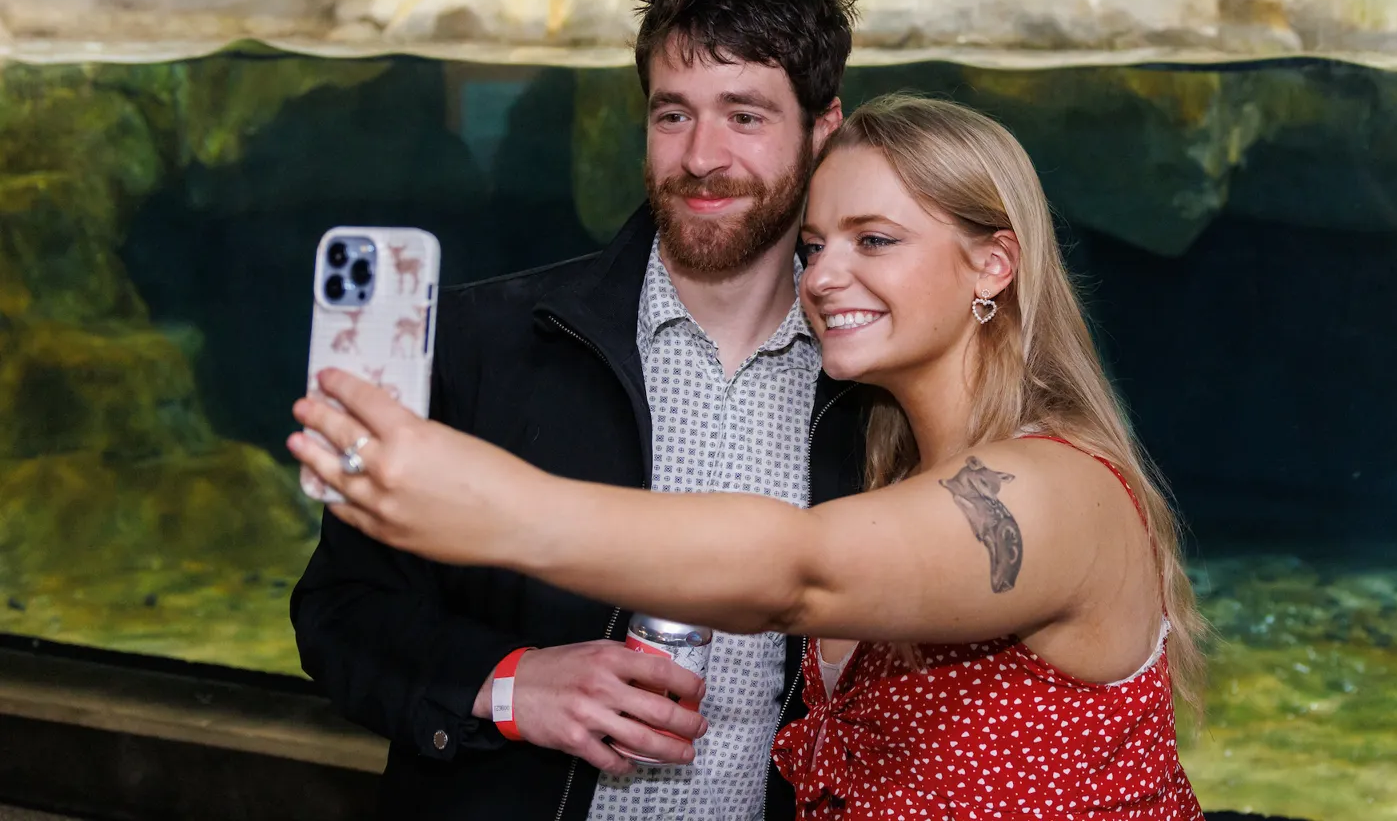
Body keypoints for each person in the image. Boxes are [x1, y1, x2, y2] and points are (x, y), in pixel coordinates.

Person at [292, 93, 1209, 819]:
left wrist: (503, 508)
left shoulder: (1057, 487)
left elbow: (793, 572)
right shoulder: (891, 471)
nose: (822, 276)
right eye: (811, 246)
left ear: (993, 266)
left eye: (875, 240)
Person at [289, 0, 869, 821]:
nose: (701, 156)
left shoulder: (869, 386)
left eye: (744, 115)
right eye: (673, 115)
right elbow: (339, 614)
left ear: (823, 131)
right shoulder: (488, 343)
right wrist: (510, 682)